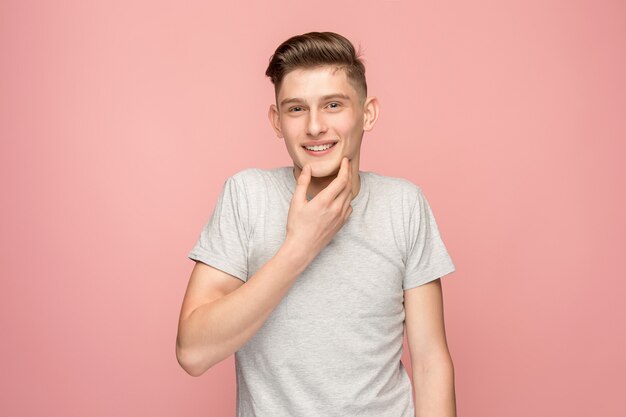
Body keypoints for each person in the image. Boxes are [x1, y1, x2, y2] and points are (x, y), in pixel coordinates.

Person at [176, 31, 457, 417]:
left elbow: (430, 363)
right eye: (296, 109)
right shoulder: (246, 196)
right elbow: (193, 352)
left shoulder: (404, 204)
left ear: (367, 113)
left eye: (333, 105)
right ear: (276, 120)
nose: (314, 126)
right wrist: (299, 247)